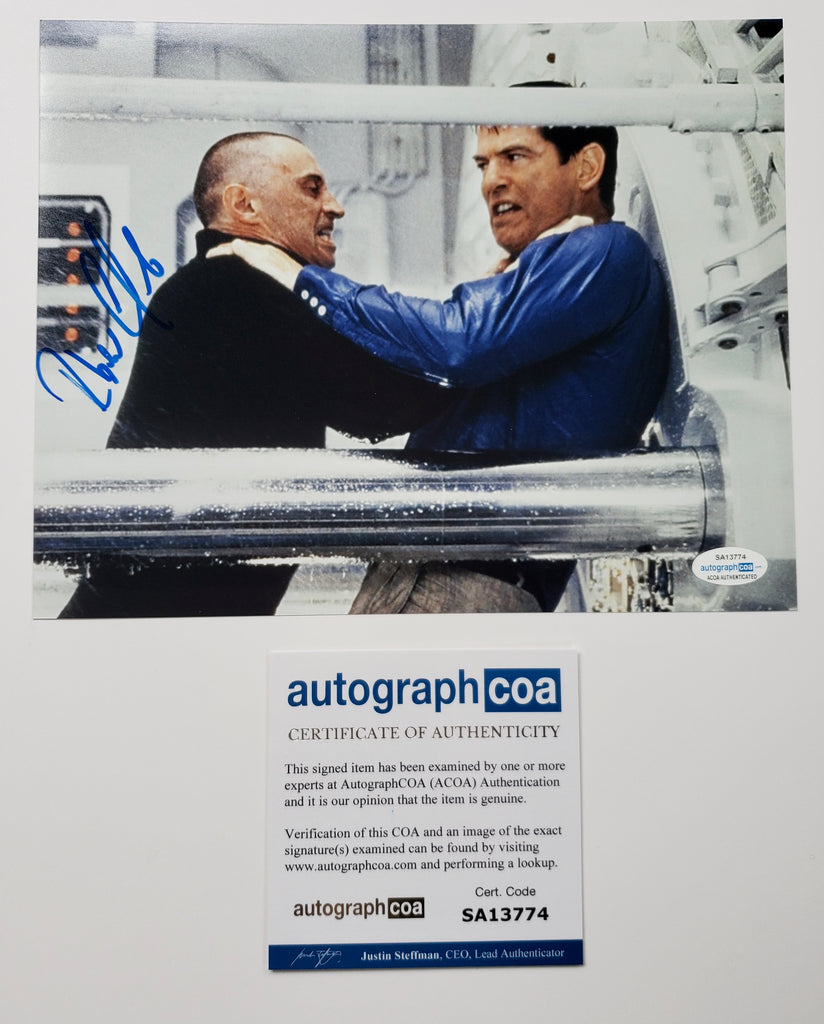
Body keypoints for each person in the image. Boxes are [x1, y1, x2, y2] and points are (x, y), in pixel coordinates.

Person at [211, 97, 671, 614]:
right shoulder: (551, 269)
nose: (492, 180)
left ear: (586, 167)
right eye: (483, 164)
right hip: (448, 572)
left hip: (467, 580)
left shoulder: (607, 250)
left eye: (515, 156)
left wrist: (301, 279)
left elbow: (460, 342)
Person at [58, 131, 455, 617]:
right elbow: (386, 404)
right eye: (311, 188)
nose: (335, 206)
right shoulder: (231, 288)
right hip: (144, 635)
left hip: (145, 627)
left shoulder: (211, 286)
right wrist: (494, 340)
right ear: (244, 205)